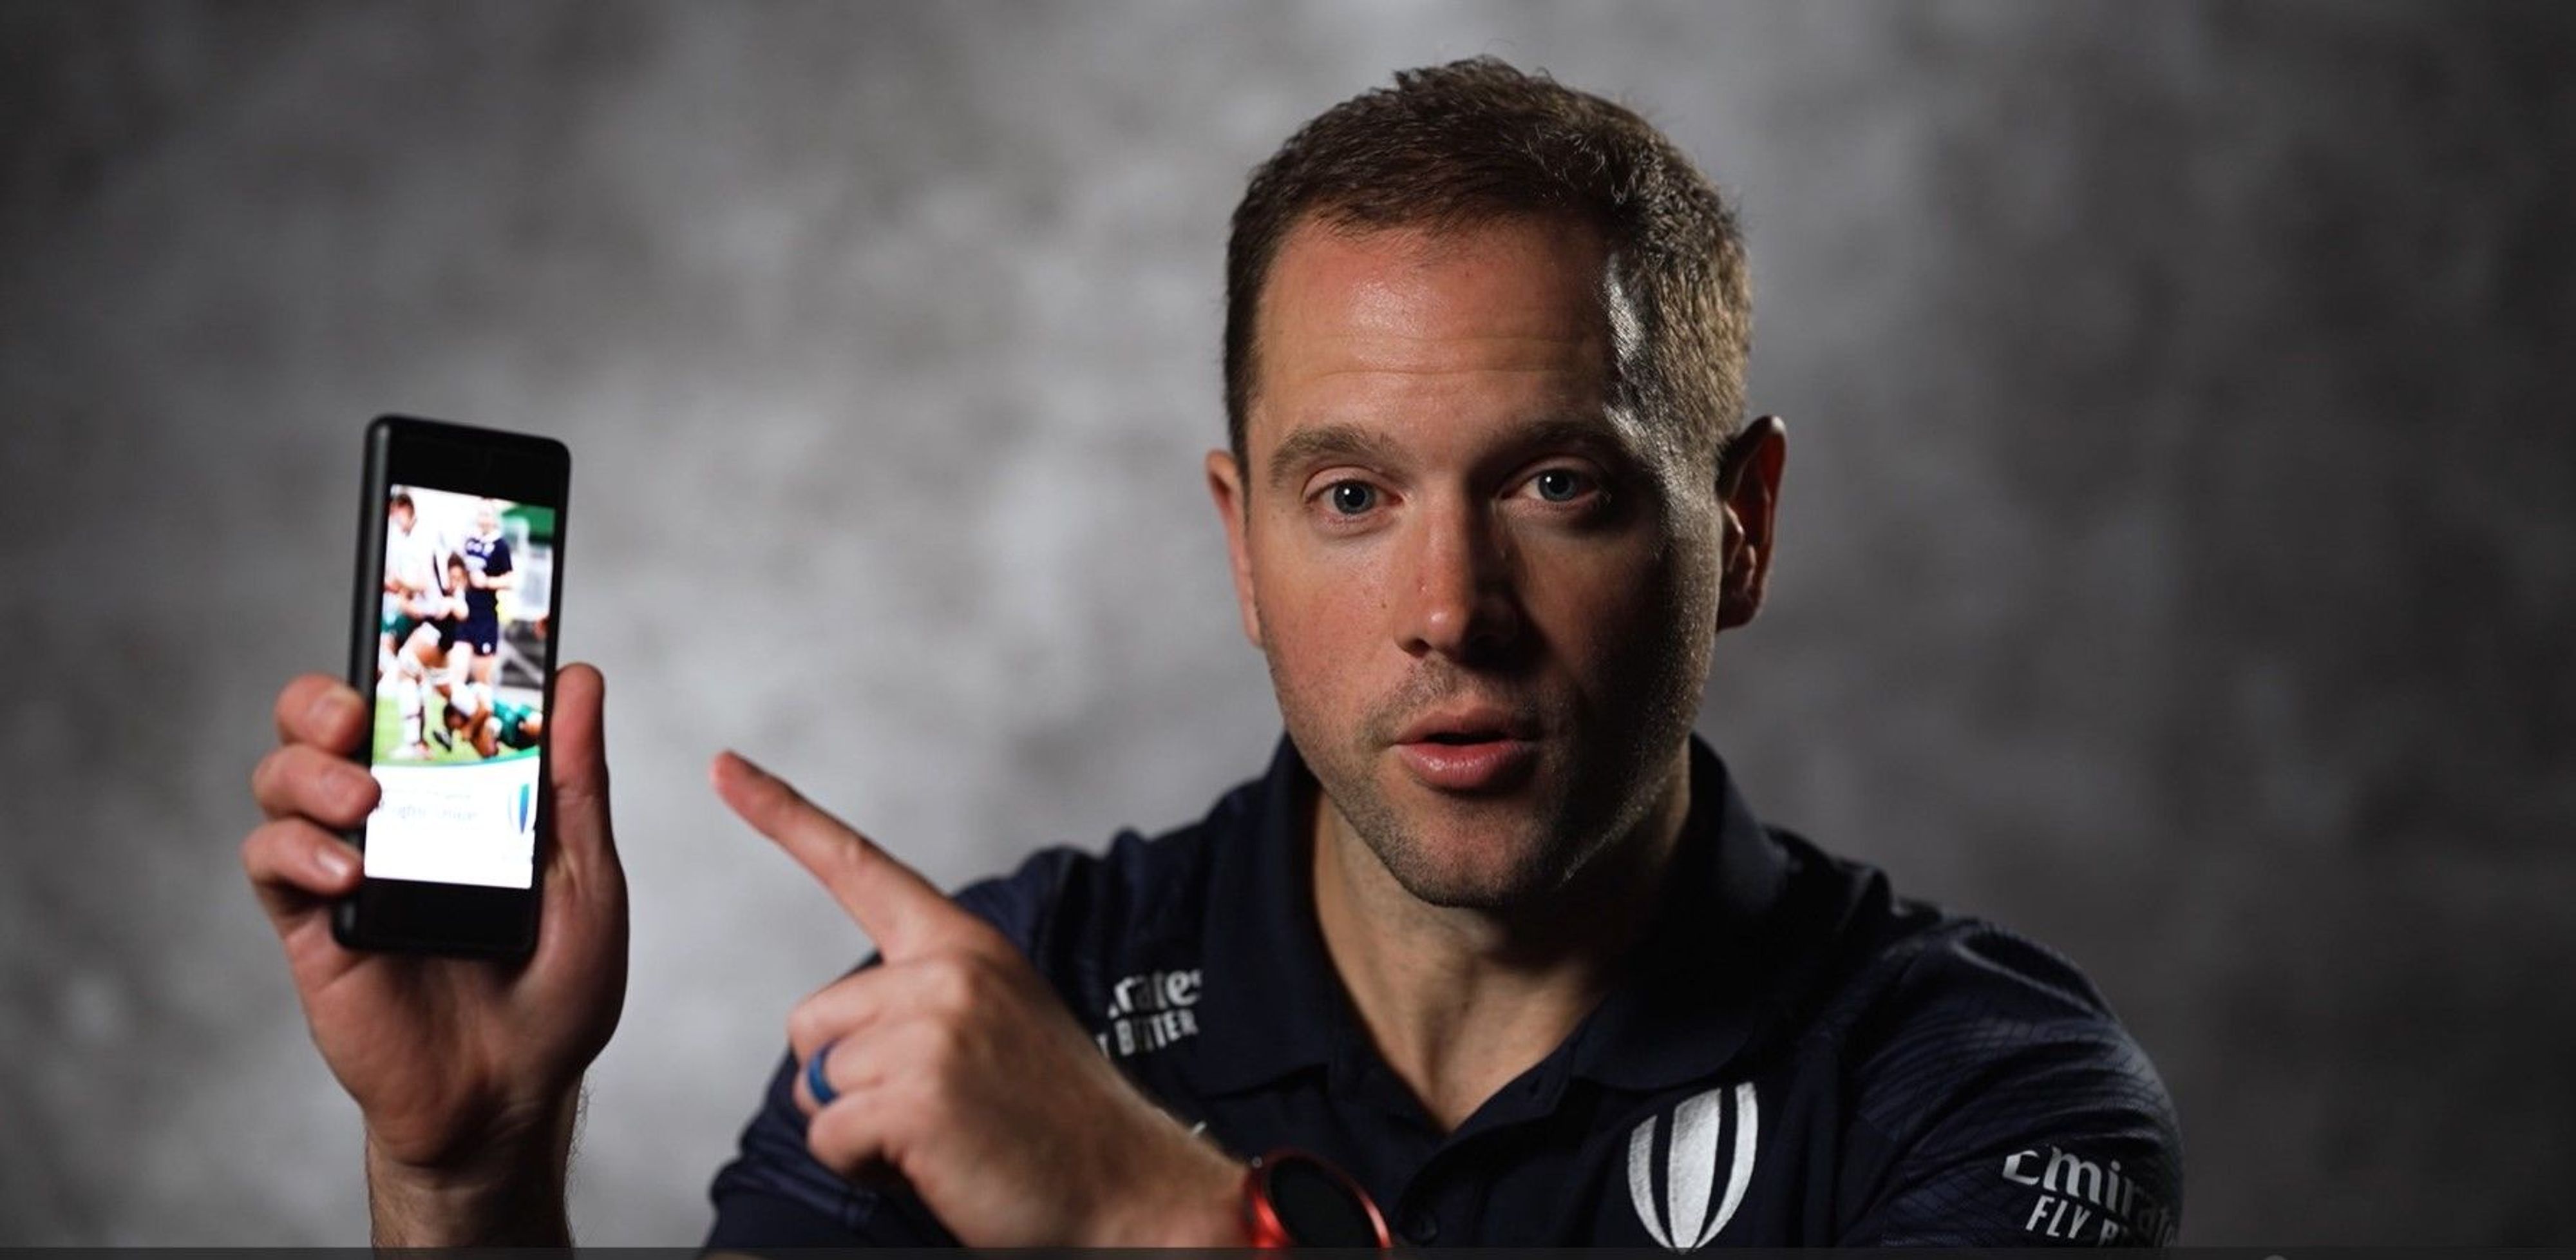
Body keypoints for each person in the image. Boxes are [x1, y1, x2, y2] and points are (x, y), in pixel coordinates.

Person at [242, 58, 2181, 1247]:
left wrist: (1170, 1228)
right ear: (1239, 542)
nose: (1450, 607)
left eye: (1559, 485)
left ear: (1738, 525)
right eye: (1350, 496)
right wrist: (472, 1175)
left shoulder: (1982, 1090)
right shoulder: (986, 1014)